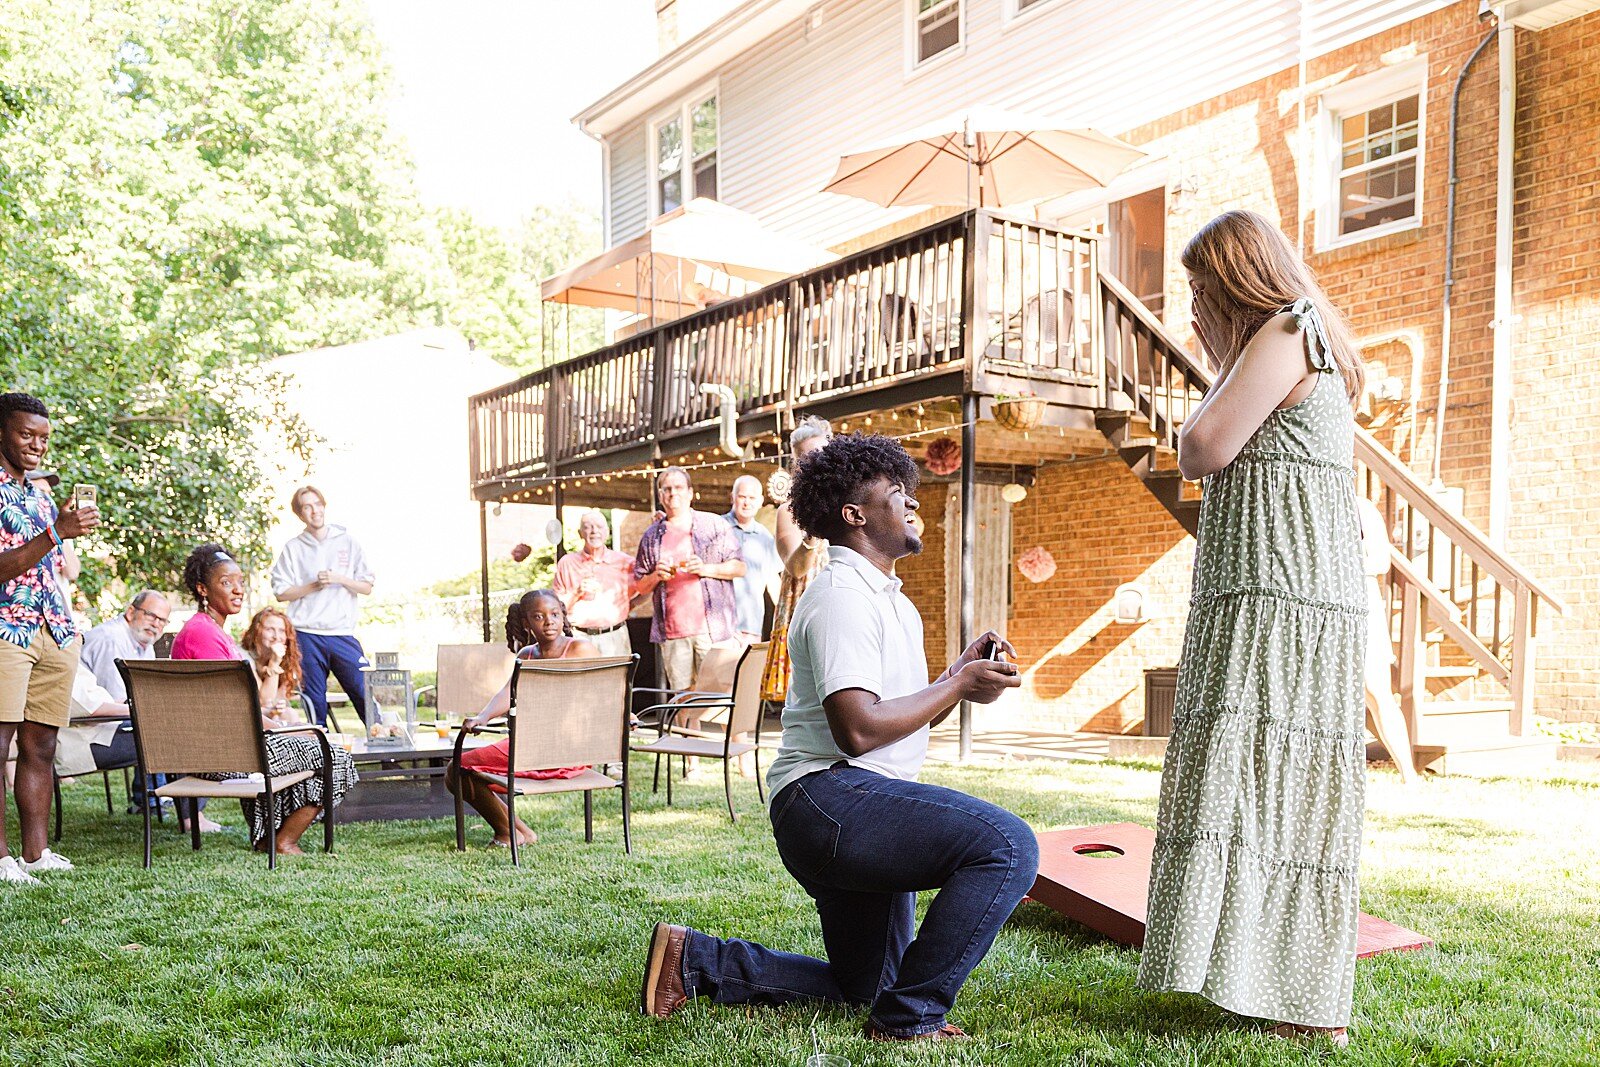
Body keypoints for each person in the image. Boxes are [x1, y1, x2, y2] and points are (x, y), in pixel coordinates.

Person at [639, 434, 1035, 1041]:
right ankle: (910, 1020)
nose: (913, 506)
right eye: (897, 495)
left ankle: (698, 962)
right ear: (855, 515)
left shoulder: (890, 602)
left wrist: (959, 676)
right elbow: (857, 730)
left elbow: (891, 716)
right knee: (1007, 846)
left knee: (866, 987)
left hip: (856, 799)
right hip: (829, 801)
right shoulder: (842, 596)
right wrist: (956, 688)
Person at [1137, 210, 1369, 1047]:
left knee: (1275, 782)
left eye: (1203, 289)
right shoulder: (1286, 341)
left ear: (1238, 281)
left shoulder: (1283, 328)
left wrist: (1216, 362)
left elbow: (1201, 446)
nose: (1196, 307)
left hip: (1283, 595)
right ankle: (1267, 981)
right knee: (1258, 783)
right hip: (1271, 588)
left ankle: (1309, 1003)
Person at [172, 543, 355, 855]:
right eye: (226, 583)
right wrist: (285, 729)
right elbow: (231, 712)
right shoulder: (203, 634)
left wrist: (288, 728)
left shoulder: (209, 631)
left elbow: (237, 709)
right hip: (223, 754)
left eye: (240, 582)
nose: (237, 590)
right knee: (333, 757)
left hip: (227, 746)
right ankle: (284, 841)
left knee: (314, 745)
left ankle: (268, 837)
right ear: (202, 589)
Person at [0, 392, 101, 885]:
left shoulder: (38, 495)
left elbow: (53, 566)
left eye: (43, 437)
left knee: (41, 745)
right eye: (25, 434)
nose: (37, 446)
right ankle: (0, 860)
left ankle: (35, 854)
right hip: (6, 629)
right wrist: (56, 533)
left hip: (53, 629)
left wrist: (64, 528)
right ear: (1, 432)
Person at [447, 589, 598, 847]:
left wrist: (623, 714)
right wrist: (482, 717)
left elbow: (603, 688)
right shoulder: (527, 654)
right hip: (531, 746)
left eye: (554, 614)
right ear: (526, 623)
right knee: (459, 769)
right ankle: (516, 832)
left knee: (457, 769)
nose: (549, 621)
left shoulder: (580, 649)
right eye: (539, 616)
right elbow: (508, 691)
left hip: (563, 750)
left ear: (563, 616)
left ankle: (511, 833)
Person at [54, 662, 221, 832]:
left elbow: (92, 704)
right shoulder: (59, 660)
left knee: (173, 721)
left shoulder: (64, 654)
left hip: (98, 732)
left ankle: (189, 813)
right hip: (86, 743)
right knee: (176, 733)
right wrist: (141, 708)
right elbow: (91, 711)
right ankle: (193, 819)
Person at [632, 467, 745, 702]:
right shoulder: (652, 536)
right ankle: (686, 738)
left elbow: (739, 568)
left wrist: (705, 569)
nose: (673, 493)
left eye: (679, 488)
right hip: (673, 633)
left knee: (720, 700)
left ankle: (721, 741)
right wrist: (655, 576)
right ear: (661, 495)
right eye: (667, 489)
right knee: (682, 700)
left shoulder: (713, 525)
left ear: (690, 493)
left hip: (712, 630)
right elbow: (640, 586)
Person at [270, 486, 374, 726]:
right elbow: (281, 593)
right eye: (307, 506)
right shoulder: (293, 548)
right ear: (299, 514)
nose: (314, 510)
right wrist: (312, 585)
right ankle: (322, 755)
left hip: (341, 632)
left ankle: (386, 750)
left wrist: (340, 579)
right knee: (314, 700)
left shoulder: (347, 542)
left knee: (362, 692)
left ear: (324, 506)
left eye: (317, 504)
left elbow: (366, 587)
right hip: (306, 633)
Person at [760, 416, 832, 704]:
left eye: (821, 454)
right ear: (797, 465)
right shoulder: (789, 511)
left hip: (842, 597)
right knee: (809, 699)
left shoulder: (850, 498)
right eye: (806, 458)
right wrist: (812, 535)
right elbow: (796, 567)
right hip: (807, 604)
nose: (815, 463)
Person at [550, 511, 637, 657]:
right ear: (580, 533)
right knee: (580, 680)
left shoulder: (624, 561)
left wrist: (630, 605)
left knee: (617, 680)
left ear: (607, 532)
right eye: (588, 527)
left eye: (599, 526)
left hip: (614, 636)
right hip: (579, 637)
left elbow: (647, 586)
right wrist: (577, 592)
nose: (594, 531)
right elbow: (555, 607)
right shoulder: (567, 563)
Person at [81, 590, 169, 703]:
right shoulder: (111, 638)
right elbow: (116, 698)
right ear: (131, 612)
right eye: (151, 616)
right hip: (89, 716)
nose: (156, 624)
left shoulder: (145, 643)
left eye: (162, 620)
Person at [722, 475, 780, 642]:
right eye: (742, 497)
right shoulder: (717, 528)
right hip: (719, 628)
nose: (747, 503)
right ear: (733, 497)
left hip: (751, 627)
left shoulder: (766, 537)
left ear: (761, 501)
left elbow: (772, 581)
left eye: (752, 498)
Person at [240, 607, 303, 721]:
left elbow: (275, 701)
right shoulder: (243, 657)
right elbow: (263, 701)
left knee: (290, 714)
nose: (277, 637)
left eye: (282, 631)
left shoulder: (287, 658)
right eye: (270, 629)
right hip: (246, 714)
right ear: (257, 630)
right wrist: (274, 662)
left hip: (267, 715)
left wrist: (278, 707)